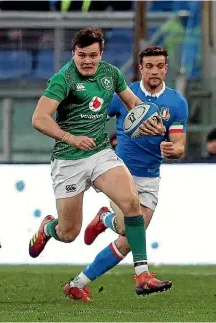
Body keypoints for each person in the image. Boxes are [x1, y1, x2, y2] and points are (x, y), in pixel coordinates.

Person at [28, 28, 171, 299]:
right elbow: (39, 118)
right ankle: (49, 227)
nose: (87, 61)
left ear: (100, 54)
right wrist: (70, 137)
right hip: (69, 159)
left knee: (131, 204)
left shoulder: (111, 74)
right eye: (82, 55)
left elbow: (133, 103)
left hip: (101, 153)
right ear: (74, 53)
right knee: (69, 232)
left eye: (92, 55)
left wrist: (148, 119)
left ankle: (142, 274)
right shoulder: (63, 79)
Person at [68, 45, 188, 301]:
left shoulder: (177, 103)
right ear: (141, 69)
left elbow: (179, 145)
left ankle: (78, 282)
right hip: (119, 172)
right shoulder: (125, 94)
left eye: (159, 66)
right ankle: (142, 276)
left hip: (151, 176)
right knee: (132, 228)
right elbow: (96, 116)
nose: (154, 71)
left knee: (128, 239)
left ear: (166, 68)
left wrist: (172, 149)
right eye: (149, 66)